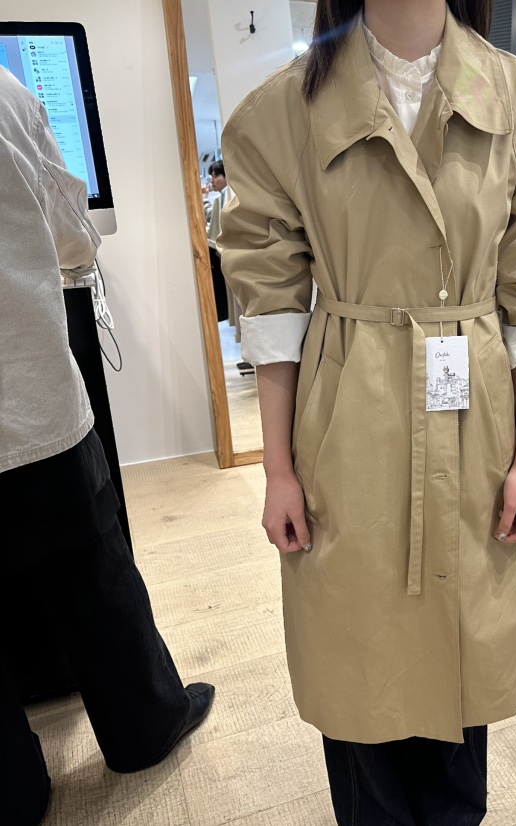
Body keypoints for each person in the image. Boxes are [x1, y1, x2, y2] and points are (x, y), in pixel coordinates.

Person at [219, 0, 516, 822]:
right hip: (348, 413)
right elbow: (270, 303)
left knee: (462, 648)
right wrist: (277, 470)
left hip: (476, 415)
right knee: (357, 653)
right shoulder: (286, 109)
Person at [0, 67, 215, 826]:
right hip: (28, 401)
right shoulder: (6, 93)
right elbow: (70, 225)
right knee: (92, 568)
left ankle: (11, 789)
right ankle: (144, 726)